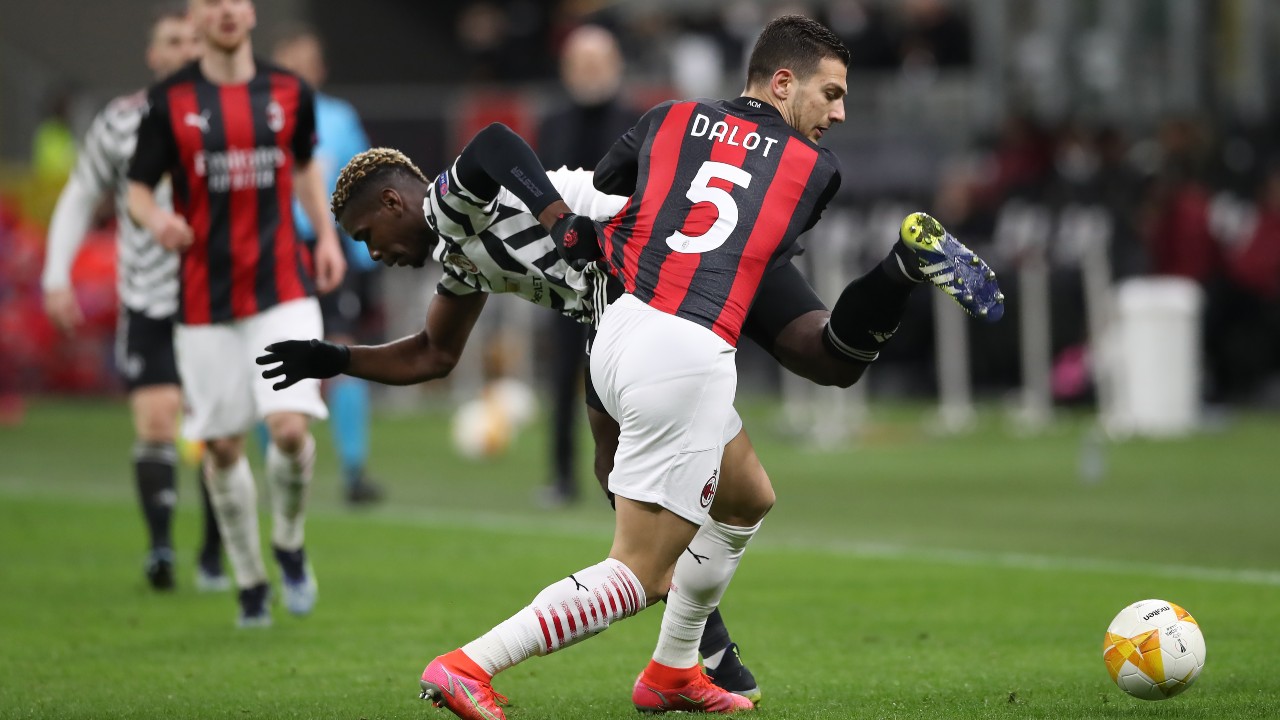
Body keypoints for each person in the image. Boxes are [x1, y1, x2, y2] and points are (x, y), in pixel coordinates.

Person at [257, 19, 1000, 713]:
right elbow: (433, 353)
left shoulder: (446, 210)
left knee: (744, 494)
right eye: (831, 95)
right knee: (642, 548)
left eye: (365, 234)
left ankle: (679, 663)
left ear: (394, 200)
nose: (372, 252)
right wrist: (334, 357)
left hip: (649, 288)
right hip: (656, 312)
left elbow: (490, 144)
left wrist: (564, 222)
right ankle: (477, 663)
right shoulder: (458, 257)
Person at [125, 0, 346, 628]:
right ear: (195, 18)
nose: (224, 10)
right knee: (221, 447)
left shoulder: (287, 91)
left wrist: (325, 238)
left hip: (282, 287)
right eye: (209, 2)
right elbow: (138, 187)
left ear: (249, 13)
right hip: (204, 301)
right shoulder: (169, 100)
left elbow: (305, 163)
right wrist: (158, 219)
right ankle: (251, 579)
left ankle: (291, 543)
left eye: (234, 0)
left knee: (289, 430)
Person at [40, 4, 229, 593]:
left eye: (190, 40)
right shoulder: (121, 120)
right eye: (171, 39)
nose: (182, 48)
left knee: (219, 432)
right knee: (155, 419)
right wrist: (55, 276)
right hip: (147, 297)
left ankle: (214, 553)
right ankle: (161, 550)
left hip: (218, 298)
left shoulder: (230, 115)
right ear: (154, 54)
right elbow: (80, 193)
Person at [271, 27, 384, 506]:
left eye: (307, 62)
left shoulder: (339, 118)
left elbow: (365, 179)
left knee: (344, 354)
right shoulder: (264, 119)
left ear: (319, 69)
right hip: (277, 248)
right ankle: (276, 464)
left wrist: (363, 249)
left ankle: (354, 470)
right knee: (273, 353)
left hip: (330, 249)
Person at [535, 24, 641, 508]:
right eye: (581, 63)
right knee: (562, 378)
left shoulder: (639, 122)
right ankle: (560, 476)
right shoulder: (552, 123)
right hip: (566, 273)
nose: (590, 73)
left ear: (616, 65)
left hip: (625, 275)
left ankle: (633, 480)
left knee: (627, 381)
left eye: (598, 63)